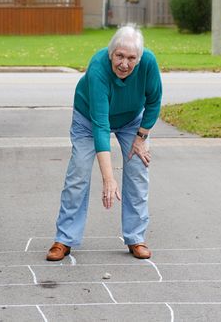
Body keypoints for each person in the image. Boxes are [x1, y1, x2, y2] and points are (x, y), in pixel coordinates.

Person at [46, 25, 162, 261]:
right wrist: (109, 179)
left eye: (131, 58)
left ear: (139, 58)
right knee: (78, 172)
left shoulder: (148, 63)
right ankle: (64, 238)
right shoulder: (98, 66)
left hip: (131, 120)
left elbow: (154, 101)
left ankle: (136, 237)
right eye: (119, 56)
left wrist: (141, 138)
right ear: (111, 53)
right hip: (89, 119)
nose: (124, 64)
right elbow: (101, 126)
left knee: (138, 169)